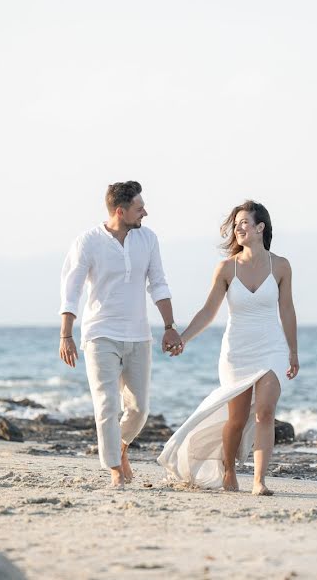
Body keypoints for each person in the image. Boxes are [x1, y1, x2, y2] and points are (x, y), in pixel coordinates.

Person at [158, 200, 299, 495]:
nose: (238, 228)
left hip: (270, 347)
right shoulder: (226, 268)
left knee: (264, 412)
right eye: (235, 224)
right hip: (237, 351)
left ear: (261, 228)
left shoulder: (281, 266)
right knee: (235, 419)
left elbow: (287, 310)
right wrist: (183, 338)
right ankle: (229, 471)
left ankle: (259, 481)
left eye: (244, 222)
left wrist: (293, 351)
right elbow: (209, 311)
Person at [59, 181, 183, 488]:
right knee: (106, 404)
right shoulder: (88, 242)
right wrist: (66, 334)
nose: (146, 212)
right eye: (139, 208)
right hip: (100, 333)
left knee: (139, 409)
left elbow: (158, 283)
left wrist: (169, 327)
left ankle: (121, 446)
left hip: (139, 336)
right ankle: (115, 468)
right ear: (121, 211)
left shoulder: (148, 239)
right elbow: (71, 290)